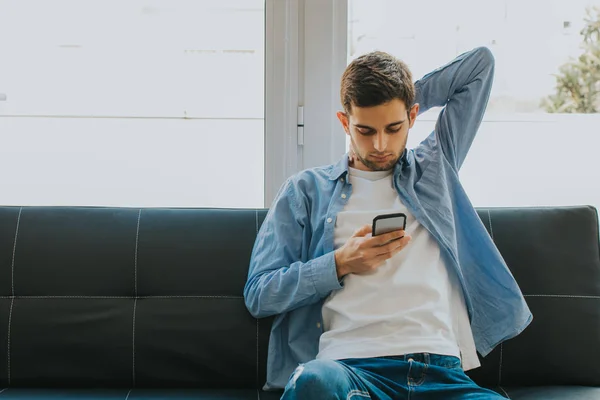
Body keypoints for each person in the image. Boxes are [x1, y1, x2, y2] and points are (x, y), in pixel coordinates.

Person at [244, 46, 532, 399]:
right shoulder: (305, 190)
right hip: (349, 370)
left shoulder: (434, 169)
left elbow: (480, 65)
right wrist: (339, 262)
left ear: (412, 116)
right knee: (312, 383)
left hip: (440, 373)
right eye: (365, 130)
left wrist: (403, 94)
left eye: (393, 127)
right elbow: (259, 294)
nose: (380, 144)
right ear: (344, 121)